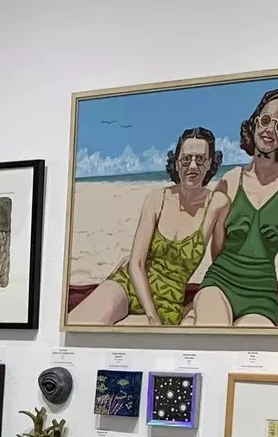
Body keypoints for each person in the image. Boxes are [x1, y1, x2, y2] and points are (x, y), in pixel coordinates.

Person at [67, 128, 225, 327]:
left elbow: (220, 262)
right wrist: (151, 316)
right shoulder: (157, 198)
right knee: (78, 324)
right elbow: (137, 263)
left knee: (119, 340)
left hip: (167, 303)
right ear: (177, 163)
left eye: (200, 159)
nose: (192, 166)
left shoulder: (217, 204)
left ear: (209, 163)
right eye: (186, 159)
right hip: (130, 284)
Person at [186, 88, 278, 329]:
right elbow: (216, 248)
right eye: (265, 120)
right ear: (254, 123)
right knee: (214, 328)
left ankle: (191, 318)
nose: (270, 130)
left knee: (250, 343)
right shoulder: (231, 180)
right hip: (220, 282)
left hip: (261, 296)